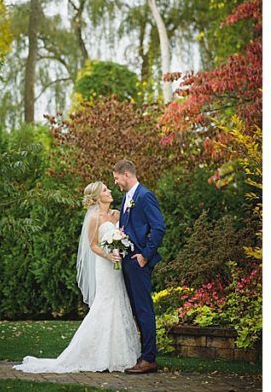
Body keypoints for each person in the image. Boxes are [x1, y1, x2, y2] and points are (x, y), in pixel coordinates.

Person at [13, 181, 140, 373]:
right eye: (105, 190)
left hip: (118, 267)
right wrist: (109, 254)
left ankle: (118, 355)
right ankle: (92, 354)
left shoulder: (116, 214)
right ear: (98, 197)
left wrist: (120, 249)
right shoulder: (94, 219)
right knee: (105, 304)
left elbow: (125, 235)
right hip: (105, 266)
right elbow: (93, 245)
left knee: (119, 303)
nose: (109, 191)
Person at [112, 159, 165, 374]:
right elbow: (127, 229)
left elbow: (159, 227)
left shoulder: (144, 196)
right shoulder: (126, 197)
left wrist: (144, 255)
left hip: (139, 262)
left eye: (116, 178)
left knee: (144, 309)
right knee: (136, 309)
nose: (116, 183)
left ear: (127, 174)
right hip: (128, 261)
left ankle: (149, 359)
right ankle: (143, 354)